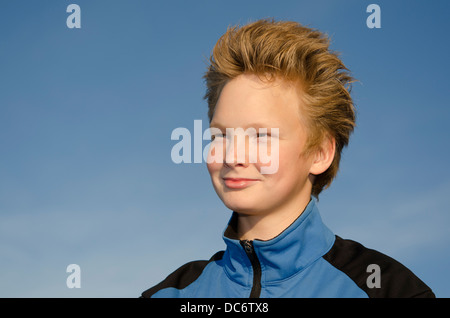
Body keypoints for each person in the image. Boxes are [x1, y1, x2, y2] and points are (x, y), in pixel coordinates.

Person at [141, 19, 435, 298]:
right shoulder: (171, 293)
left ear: (320, 153)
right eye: (221, 136)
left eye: (261, 136)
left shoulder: (387, 288)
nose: (233, 156)